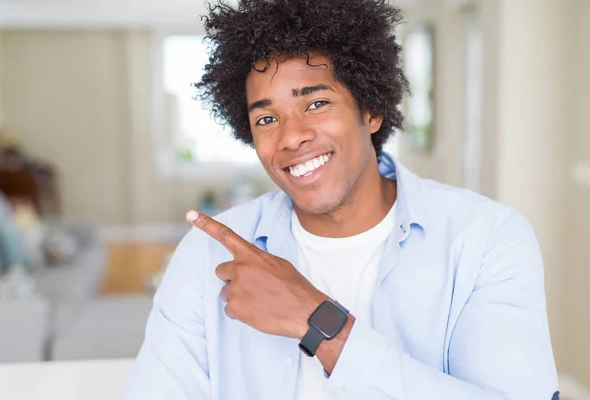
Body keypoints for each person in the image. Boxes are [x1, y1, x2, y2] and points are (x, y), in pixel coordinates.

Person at [125, 0, 559, 399]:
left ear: (370, 111)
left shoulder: (485, 239)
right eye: (267, 118)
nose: (291, 136)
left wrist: (315, 319)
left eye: (315, 103)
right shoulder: (208, 255)